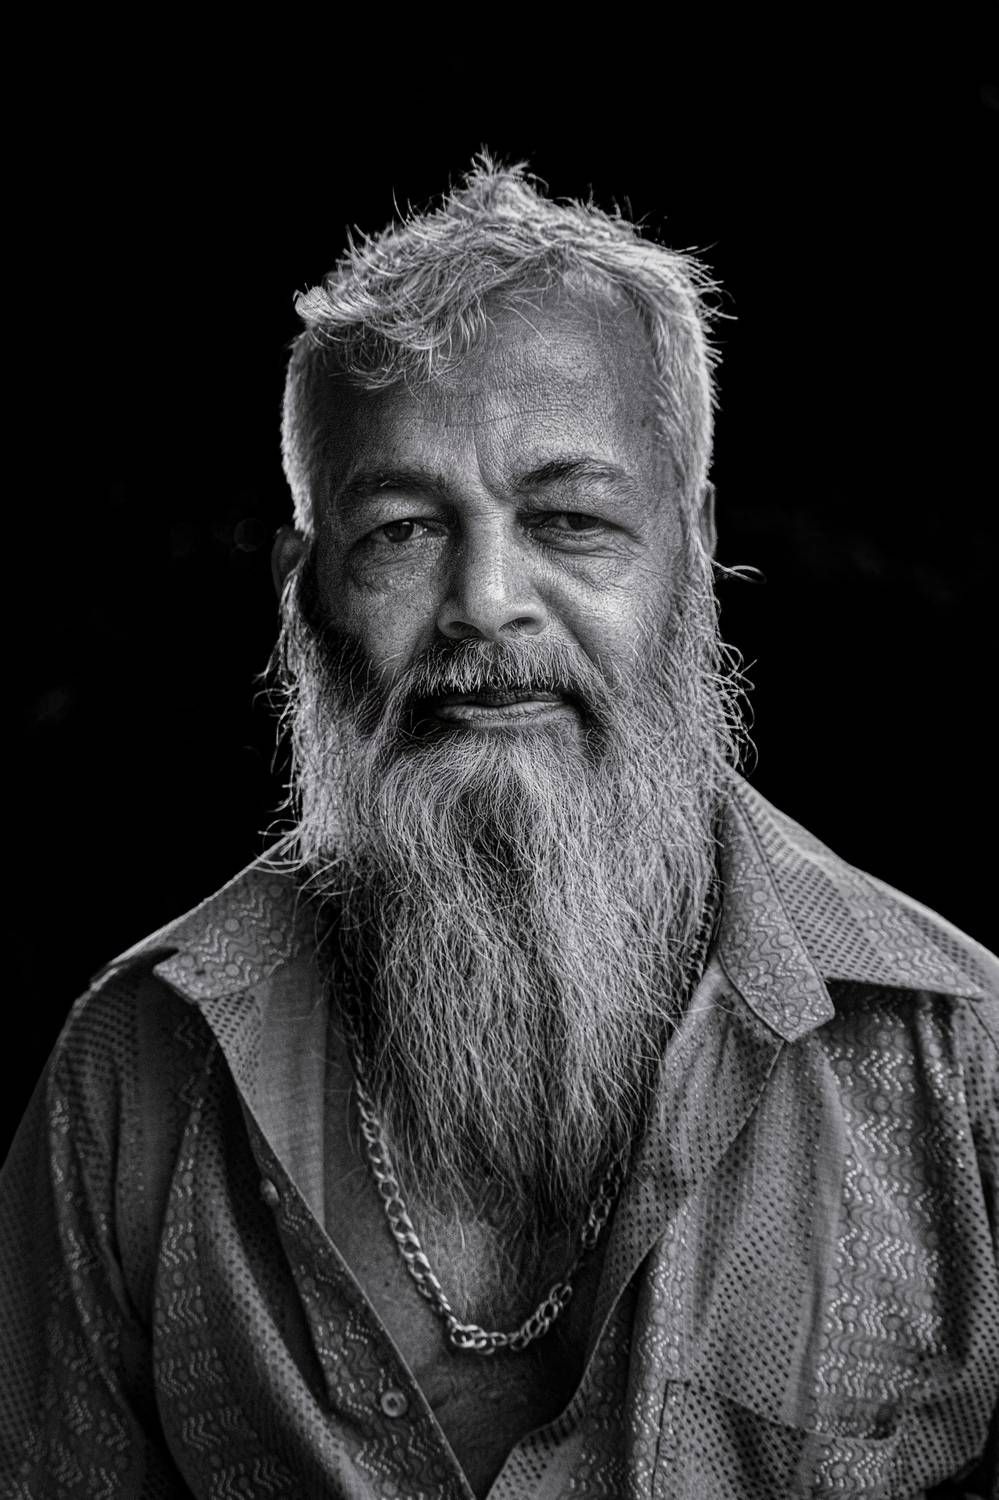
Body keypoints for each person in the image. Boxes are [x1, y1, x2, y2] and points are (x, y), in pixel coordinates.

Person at [2, 158, 996, 1500]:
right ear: (303, 590)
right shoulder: (133, 1079)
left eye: (571, 520)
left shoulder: (961, 1072)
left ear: (694, 552)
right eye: (403, 531)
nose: (484, 600)